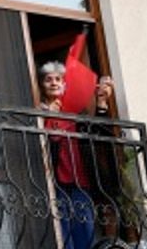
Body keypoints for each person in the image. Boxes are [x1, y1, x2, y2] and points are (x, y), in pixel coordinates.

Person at [38, 61, 116, 249]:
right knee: (63, 238)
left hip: (81, 184)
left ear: (64, 85)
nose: (54, 83)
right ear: (42, 85)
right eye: (49, 79)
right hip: (56, 185)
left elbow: (100, 135)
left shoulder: (76, 114)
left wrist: (101, 103)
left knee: (85, 235)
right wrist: (48, 116)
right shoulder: (39, 112)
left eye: (58, 79)